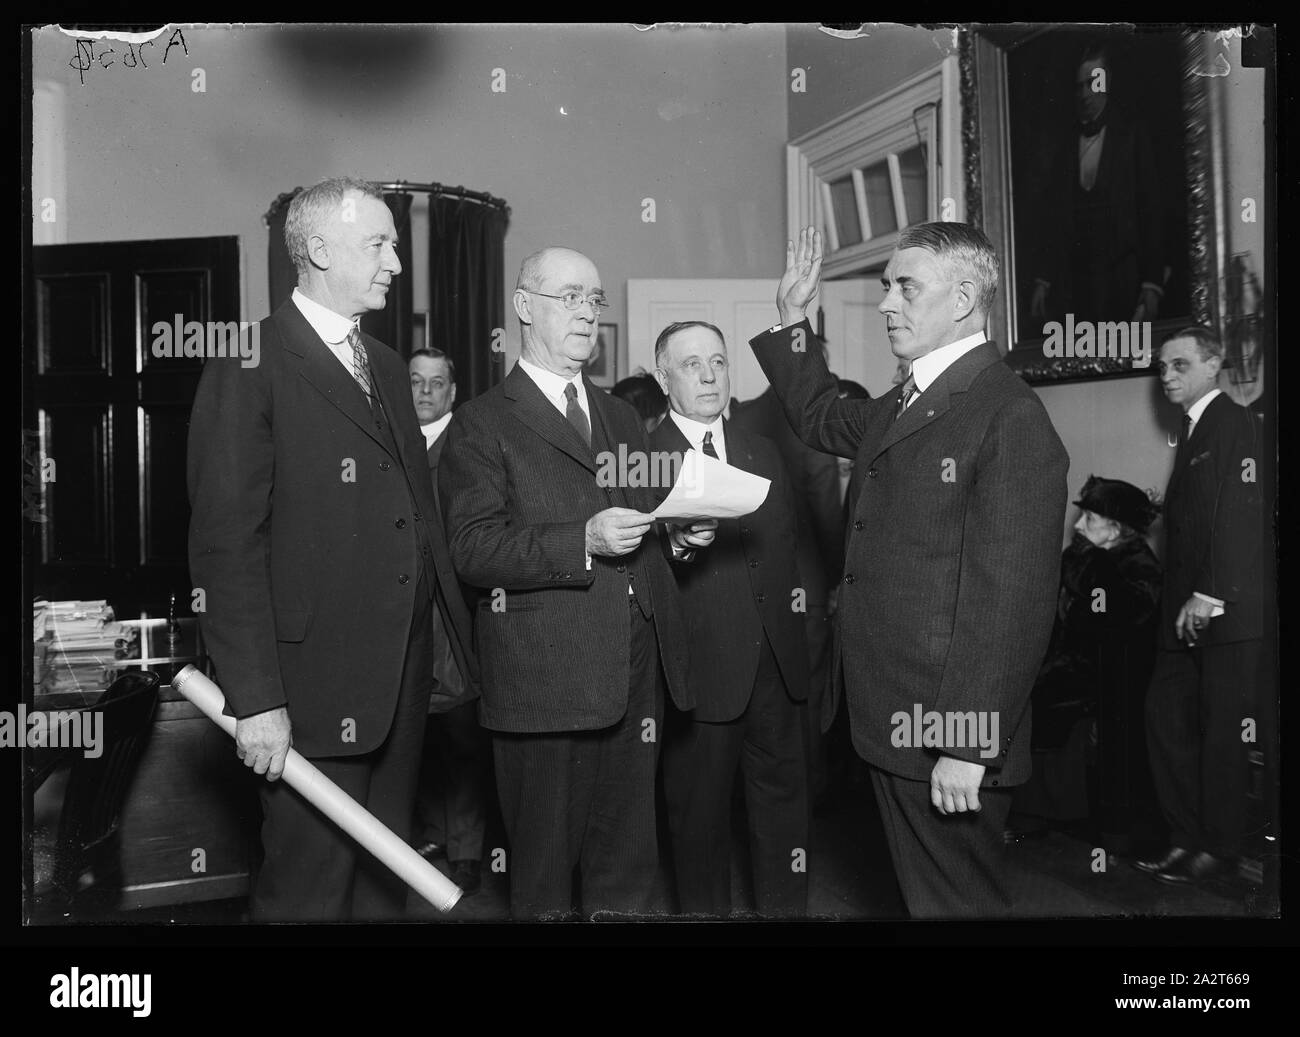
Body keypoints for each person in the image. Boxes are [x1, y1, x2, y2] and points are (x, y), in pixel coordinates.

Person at [749, 223, 1069, 917]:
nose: (887, 303)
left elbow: (1010, 601)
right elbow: (820, 414)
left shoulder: (1007, 415)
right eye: (887, 285)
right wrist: (793, 320)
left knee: (957, 906)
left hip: (946, 732)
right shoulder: (909, 399)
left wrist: (967, 740)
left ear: (961, 299)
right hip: (897, 721)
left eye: (905, 286)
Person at [187, 177, 477, 921]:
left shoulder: (384, 362)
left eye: (395, 244)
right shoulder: (248, 362)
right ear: (317, 249)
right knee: (309, 895)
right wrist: (257, 700)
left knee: (382, 889)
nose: (395, 263)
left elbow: (415, 518)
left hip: (402, 690)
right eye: (377, 244)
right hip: (308, 696)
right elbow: (228, 548)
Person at [438, 246, 714, 919]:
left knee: (630, 870)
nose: (588, 312)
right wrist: (580, 541)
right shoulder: (482, 421)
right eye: (570, 297)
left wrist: (677, 535)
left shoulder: (620, 415)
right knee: (545, 880)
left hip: (634, 668)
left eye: (594, 300)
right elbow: (473, 548)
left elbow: (644, 517)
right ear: (525, 307)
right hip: (545, 680)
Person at [650, 320, 810, 917]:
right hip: (699, 673)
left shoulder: (761, 449)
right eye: (692, 365)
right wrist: (677, 546)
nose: (710, 375)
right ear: (664, 377)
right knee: (699, 826)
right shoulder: (640, 459)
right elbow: (637, 572)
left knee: (785, 820)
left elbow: (788, 555)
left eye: (717, 361)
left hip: (778, 670)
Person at [1135, 327, 1266, 885]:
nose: (1167, 376)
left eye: (1180, 364)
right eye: (1162, 367)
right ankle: (1185, 838)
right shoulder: (1193, 431)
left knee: (1221, 737)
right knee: (1165, 723)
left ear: (1214, 366)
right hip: (1183, 616)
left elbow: (1241, 512)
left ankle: (1221, 849)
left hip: (1223, 614)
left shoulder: (1234, 424)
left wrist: (1209, 594)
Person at [1012, 476, 1162, 851]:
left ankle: (1059, 816)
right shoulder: (1082, 556)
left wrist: (1090, 566)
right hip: (1070, 667)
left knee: (1056, 708)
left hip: (1113, 680)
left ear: (1117, 528)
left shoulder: (1137, 564)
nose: (1077, 527)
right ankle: (1042, 810)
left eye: (1089, 520)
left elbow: (1113, 616)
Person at [731, 358, 842, 813]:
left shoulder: (741, 415)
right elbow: (822, 497)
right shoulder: (814, 419)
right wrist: (838, 572)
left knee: (759, 703)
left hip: (751, 585)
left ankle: (761, 806)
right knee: (808, 702)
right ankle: (804, 810)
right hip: (808, 582)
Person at [408, 348, 491, 895]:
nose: (425, 392)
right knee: (417, 732)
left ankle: (466, 848)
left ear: (453, 391)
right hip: (406, 609)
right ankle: (432, 832)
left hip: (454, 606)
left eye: (437, 383)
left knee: (461, 734)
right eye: (415, 381)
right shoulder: (391, 441)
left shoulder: (464, 443)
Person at [1028, 42, 1167, 326]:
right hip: (1076, 285)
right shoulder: (1065, 148)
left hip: (1125, 279)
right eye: (1078, 86)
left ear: (1108, 83)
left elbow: (1151, 211)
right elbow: (1054, 220)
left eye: (1093, 83)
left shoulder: (1132, 137)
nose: (1084, 94)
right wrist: (1043, 279)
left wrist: (1152, 284)